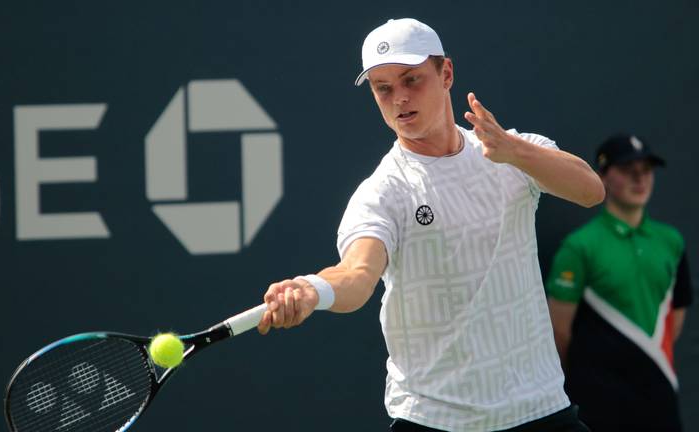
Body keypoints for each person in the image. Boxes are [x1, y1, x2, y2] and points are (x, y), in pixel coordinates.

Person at [257, 18, 604, 431]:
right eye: (383, 88)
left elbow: (590, 191)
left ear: (447, 75)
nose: (399, 98)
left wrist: (514, 151)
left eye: (411, 80)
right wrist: (312, 289)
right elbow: (356, 273)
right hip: (435, 419)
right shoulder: (382, 192)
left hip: (539, 409)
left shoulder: (511, 153)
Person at [546, 133, 693, 431]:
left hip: (659, 398)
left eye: (646, 169)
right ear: (603, 176)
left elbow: (674, 320)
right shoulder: (580, 246)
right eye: (628, 169)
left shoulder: (672, 242)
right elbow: (559, 331)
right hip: (599, 405)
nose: (640, 179)